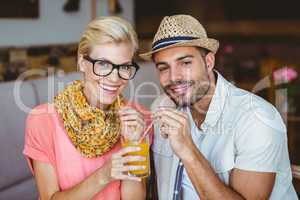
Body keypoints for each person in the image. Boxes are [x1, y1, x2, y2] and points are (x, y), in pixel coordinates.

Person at [140, 14, 298, 200]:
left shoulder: (257, 118)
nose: (174, 77)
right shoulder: (161, 107)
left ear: (208, 62)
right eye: (163, 67)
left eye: (185, 63)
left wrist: (188, 150)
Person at [23, 16, 151, 200]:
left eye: (124, 67)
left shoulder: (139, 118)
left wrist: (133, 144)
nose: (115, 79)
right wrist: (104, 175)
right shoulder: (43, 120)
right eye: (104, 64)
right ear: (82, 61)